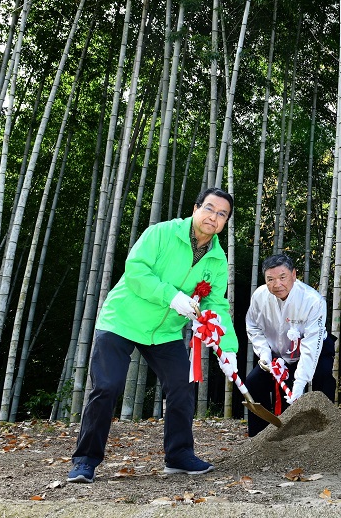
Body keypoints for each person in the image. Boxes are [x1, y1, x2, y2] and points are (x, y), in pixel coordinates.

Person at [67, 188, 238, 483]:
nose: (214, 216)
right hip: (123, 319)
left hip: (165, 331)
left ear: (225, 222)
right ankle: (85, 460)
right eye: (210, 208)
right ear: (196, 208)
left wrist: (229, 347)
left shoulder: (217, 260)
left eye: (222, 214)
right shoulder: (161, 233)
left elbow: (216, 305)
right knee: (107, 387)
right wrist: (172, 297)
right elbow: (135, 271)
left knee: (183, 385)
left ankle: (179, 455)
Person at [245, 253, 336, 437]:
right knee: (253, 382)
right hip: (276, 353)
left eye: (282, 277)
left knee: (323, 379)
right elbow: (253, 327)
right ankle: (260, 437)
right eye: (270, 279)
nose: (276, 284)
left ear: (294, 275)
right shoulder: (259, 297)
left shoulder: (312, 300)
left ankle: (327, 435)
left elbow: (311, 346)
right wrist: (264, 354)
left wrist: (299, 384)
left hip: (313, 349)